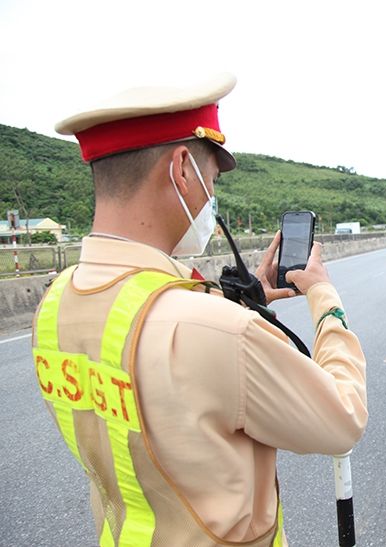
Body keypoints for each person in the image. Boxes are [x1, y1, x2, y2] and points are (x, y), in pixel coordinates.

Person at [30, 73, 367, 546]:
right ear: (182, 168)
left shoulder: (55, 301)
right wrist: (325, 300)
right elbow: (343, 420)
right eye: (212, 181)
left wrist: (239, 302)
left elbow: (144, 351)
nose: (211, 197)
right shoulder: (223, 332)